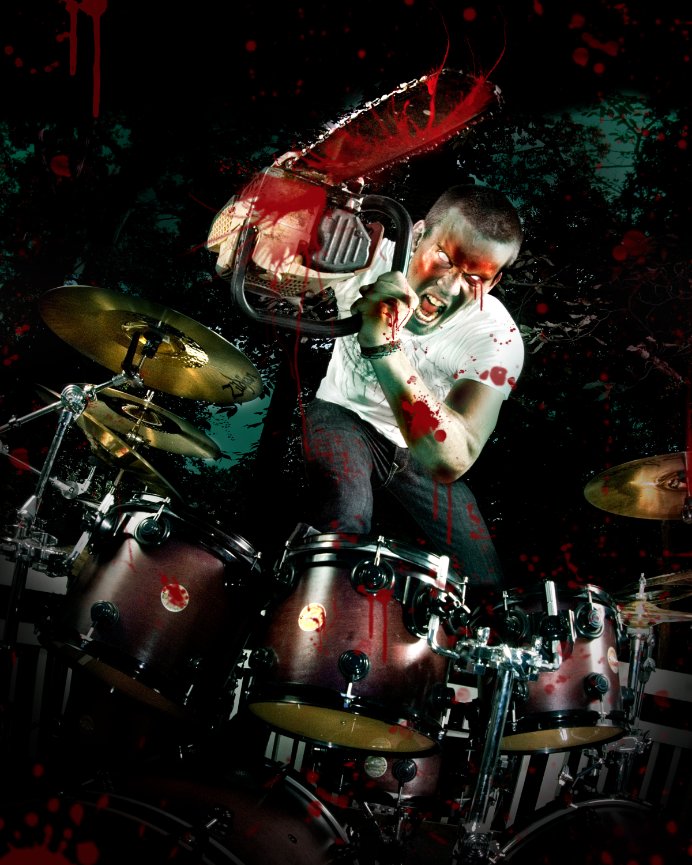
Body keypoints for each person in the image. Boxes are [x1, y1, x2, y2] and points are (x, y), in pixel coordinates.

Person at [300, 183, 525, 590]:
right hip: (343, 414)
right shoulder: (367, 256)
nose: (449, 288)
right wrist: (276, 212)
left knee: (485, 578)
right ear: (418, 234)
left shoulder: (496, 337)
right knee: (345, 517)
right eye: (444, 258)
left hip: (418, 450)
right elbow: (266, 265)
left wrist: (383, 346)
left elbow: (453, 458)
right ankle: (313, 610)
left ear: (492, 283)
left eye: (475, 278)